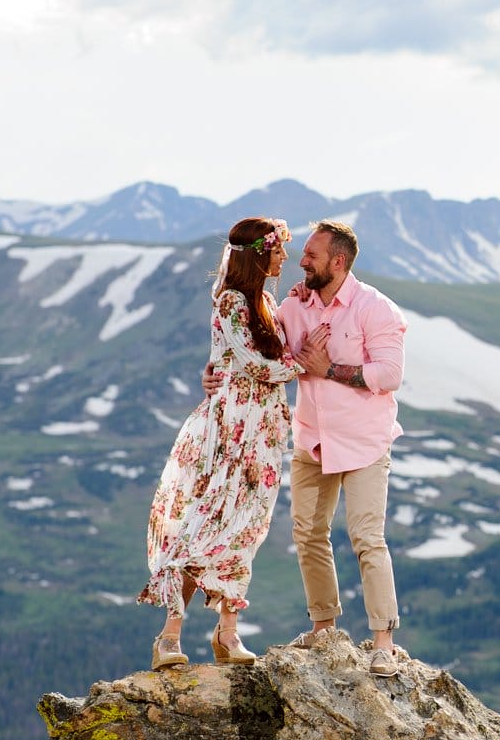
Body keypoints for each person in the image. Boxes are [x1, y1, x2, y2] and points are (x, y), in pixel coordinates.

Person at [202, 219, 409, 677]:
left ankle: (383, 641)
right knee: (309, 534)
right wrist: (214, 373)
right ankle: (323, 627)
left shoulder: (375, 308)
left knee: (366, 537)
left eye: (311, 255)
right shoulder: (294, 307)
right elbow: (255, 350)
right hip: (312, 438)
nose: (301, 261)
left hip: (364, 441)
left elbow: (389, 376)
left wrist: (329, 368)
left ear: (338, 261)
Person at [138, 216, 317, 669]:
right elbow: (256, 365)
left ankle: (227, 632)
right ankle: (169, 636)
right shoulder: (231, 302)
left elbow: (245, 361)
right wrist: (304, 364)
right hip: (229, 428)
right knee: (202, 525)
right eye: (277, 250)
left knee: (246, 529)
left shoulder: (267, 302)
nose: (284, 257)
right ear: (260, 253)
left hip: (262, 431)